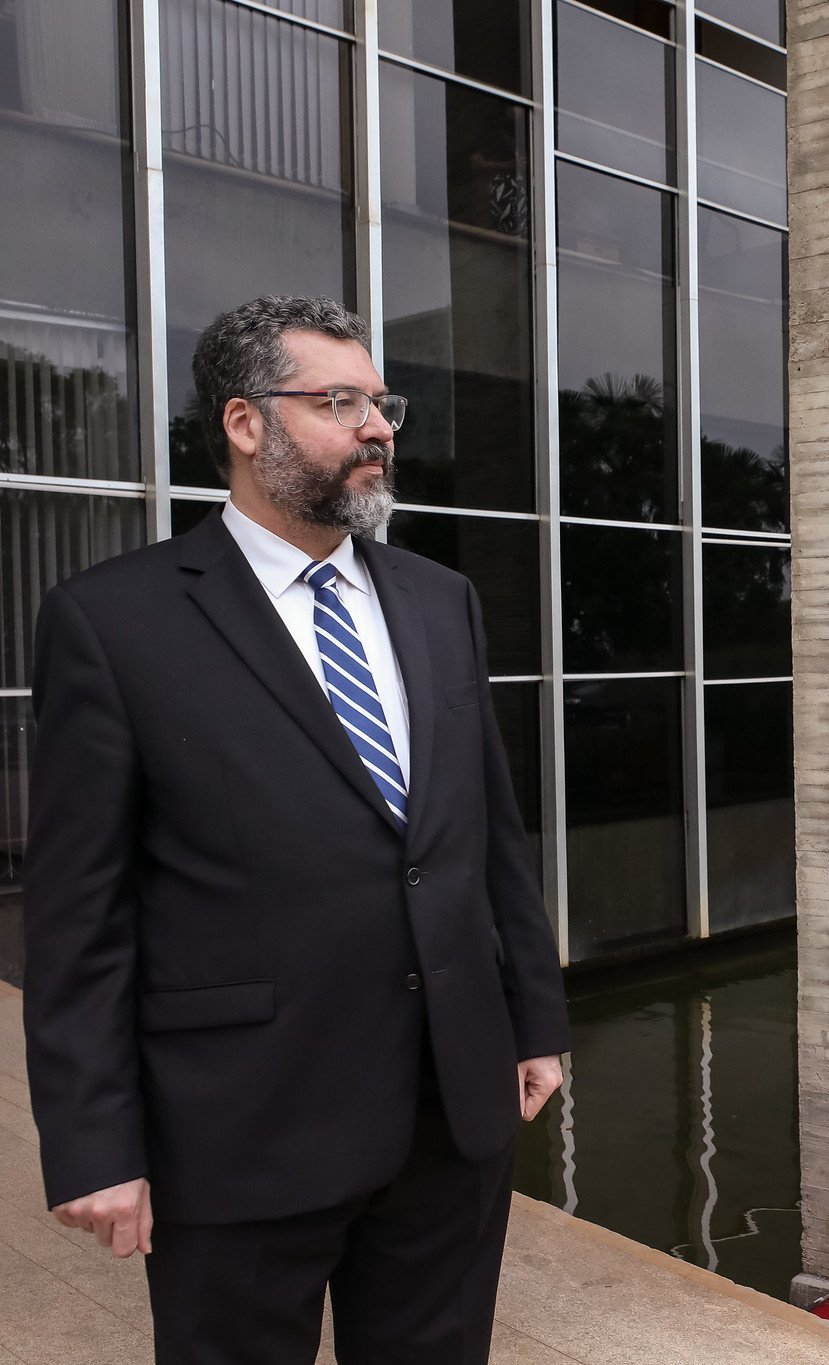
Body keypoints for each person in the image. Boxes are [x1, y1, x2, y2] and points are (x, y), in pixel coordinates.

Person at [24, 295, 572, 1363]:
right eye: (339, 402)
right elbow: (78, 912)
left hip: (446, 1117)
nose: (379, 427)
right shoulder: (112, 621)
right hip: (241, 1131)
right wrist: (93, 1142)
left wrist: (534, 1015)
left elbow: (488, 832)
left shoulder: (438, 599)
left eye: (381, 402)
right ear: (244, 423)